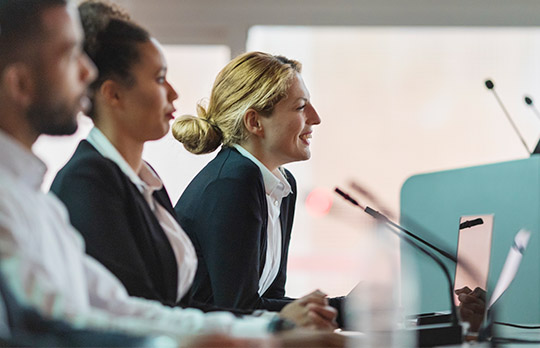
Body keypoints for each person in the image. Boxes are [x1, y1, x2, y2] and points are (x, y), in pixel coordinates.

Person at [0, 0, 345, 346]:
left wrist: (267, 330)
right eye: (67, 54)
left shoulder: (46, 202)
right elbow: (54, 326)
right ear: (20, 83)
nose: (87, 73)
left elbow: (119, 308)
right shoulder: (79, 183)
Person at [172, 51, 344, 324]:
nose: (315, 118)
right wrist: (344, 310)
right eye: (301, 107)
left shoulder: (282, 184)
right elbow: (239, 308)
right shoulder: (233, 182)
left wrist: (344, 309)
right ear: (254, 122)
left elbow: (269, 297)